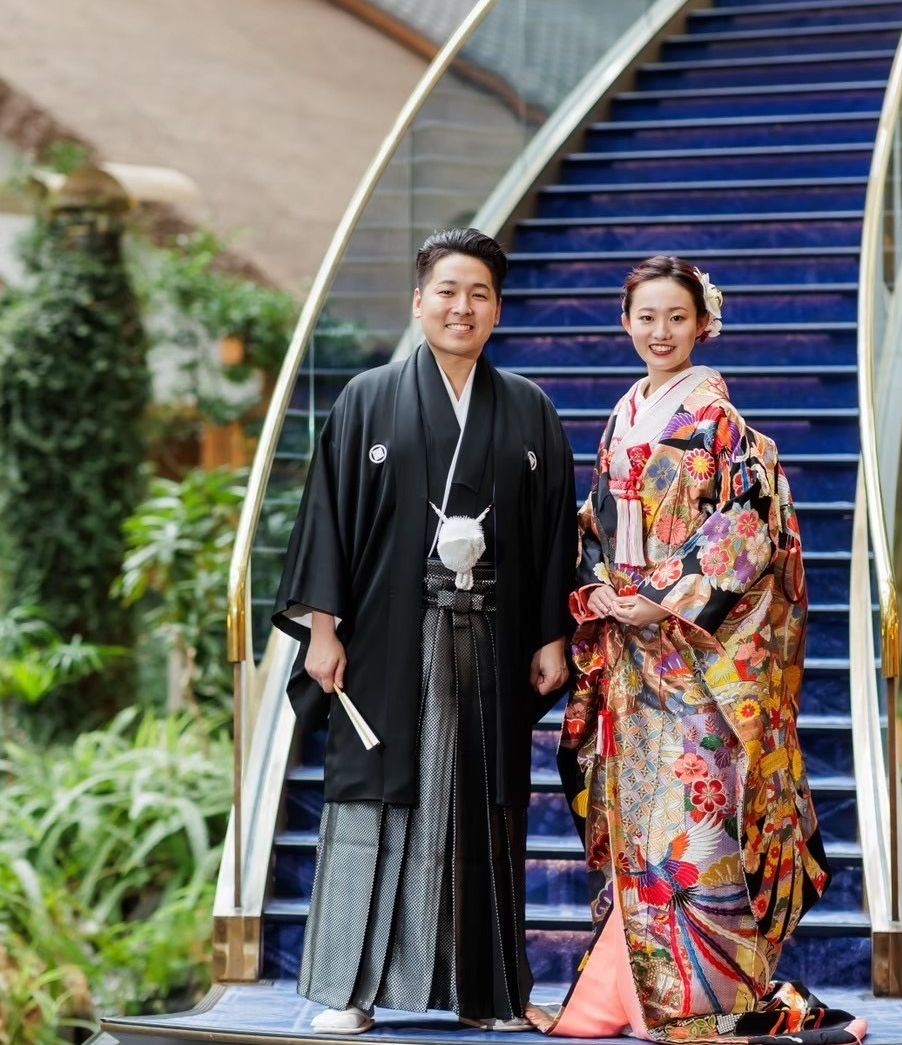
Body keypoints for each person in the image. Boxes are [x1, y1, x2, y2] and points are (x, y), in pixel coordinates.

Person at [534, 256, 866, 1044]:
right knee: (632, 816)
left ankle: (697, 995)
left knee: (692, 817)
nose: (660, 332)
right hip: (629, 652)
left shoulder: (722, 423)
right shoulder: (623, 415)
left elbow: (746, 530)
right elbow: (594, 523)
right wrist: (600, 589)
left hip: (694, 656)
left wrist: (662, 594)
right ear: (624, 322)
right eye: (646, 316)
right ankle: (626, 992)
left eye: (675, 317)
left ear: (702, 324)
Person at [271, 228, 576, 1034]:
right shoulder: (367, 398)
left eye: (478, 293)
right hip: (386, 635)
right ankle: (350, 991)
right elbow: (328, 519)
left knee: (482, 803)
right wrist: (322, 630)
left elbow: (553, 532)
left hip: (491, 637)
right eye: (446, 290)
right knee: (374, 800)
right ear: (418, 302)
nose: (461, 307)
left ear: (498, 309)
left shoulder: (529, 409)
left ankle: (487, 993)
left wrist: (551, 635)